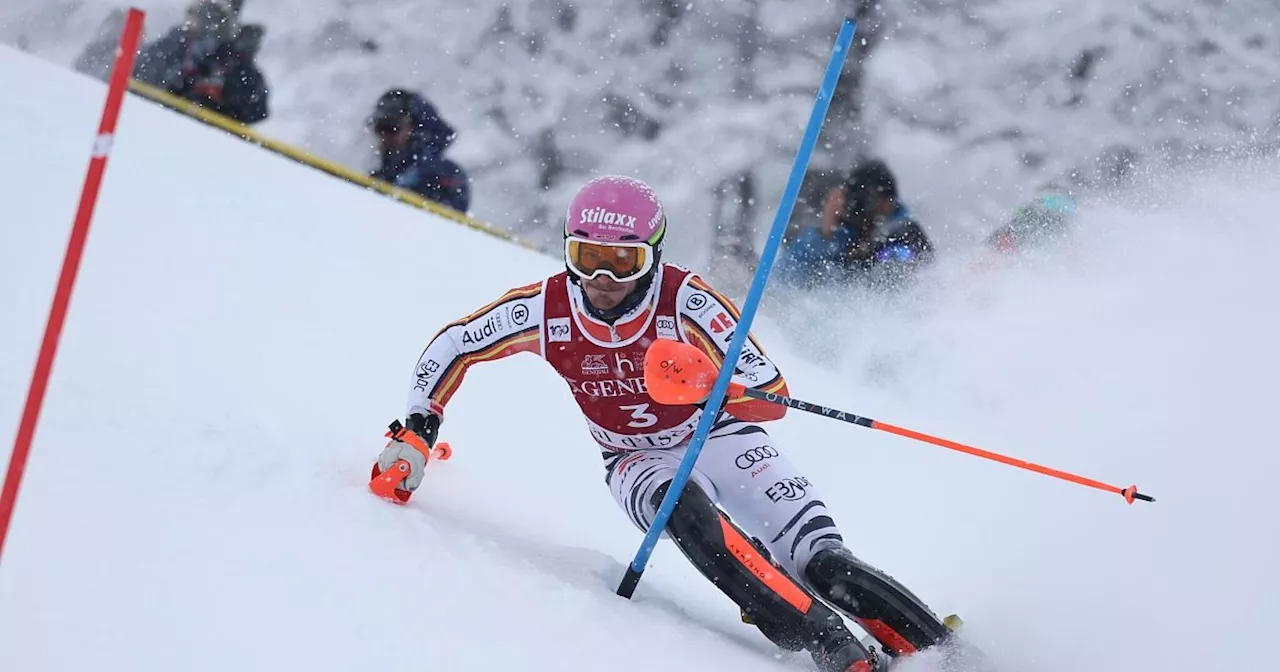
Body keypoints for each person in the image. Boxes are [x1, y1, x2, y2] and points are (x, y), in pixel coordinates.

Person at [370, 176, 956, 671]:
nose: (602, 278)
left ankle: (953, 656)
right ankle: (837, 651)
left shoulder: (686, 301)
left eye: (622, 260)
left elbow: (772, 395)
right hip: (634, 458)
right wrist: (418, 429)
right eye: (587, 257)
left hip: (723, 437)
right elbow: (454, 346)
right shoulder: (546, 309)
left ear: (652, 254)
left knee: (824, 565)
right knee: (685, 511)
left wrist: (715, 383)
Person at [131, 0, 269, 124]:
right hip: (159, 122)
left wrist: (219, 103)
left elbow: (257, 109)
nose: (211, 24)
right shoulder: (177, 43)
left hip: (207, 139)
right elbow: (138, 69)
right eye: (205, 12)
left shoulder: (237, 62)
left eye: (218, 16)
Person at [368, 89, 471, 213]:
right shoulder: (381, 172)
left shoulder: (446, 174)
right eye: (379, 128)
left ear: (414, 129)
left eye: (392, 129)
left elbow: (450, 219)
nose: (384, 136)